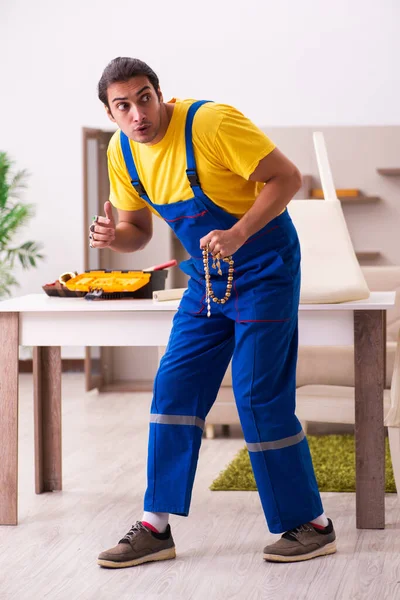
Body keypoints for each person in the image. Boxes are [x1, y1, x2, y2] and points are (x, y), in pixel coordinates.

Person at [91, 57, 337, 568]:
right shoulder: (123, 154)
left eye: (144, 98)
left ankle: (310, 524)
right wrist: (117, 239)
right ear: (111, 115)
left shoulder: (210, 123)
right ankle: (156, 527)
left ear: (160, 95)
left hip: (266, 267)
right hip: (206, 278)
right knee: (174, 388)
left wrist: (239, 233)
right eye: (123, 105)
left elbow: (287, 178)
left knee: (256, 395)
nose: (137, 113)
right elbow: (138, 233)